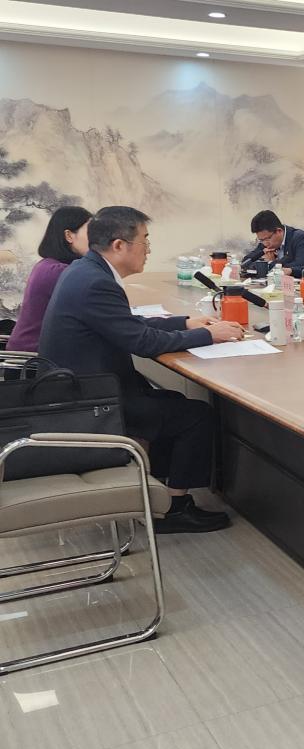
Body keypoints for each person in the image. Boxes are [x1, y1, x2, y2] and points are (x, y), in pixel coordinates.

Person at [39, 206, 246, 534]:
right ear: (119, 245)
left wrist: (185, 323)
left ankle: (158, 493)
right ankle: (173, 509)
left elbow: (125, 324)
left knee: (170, 403)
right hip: (89, 401)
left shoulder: (85, 270)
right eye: (145, 241)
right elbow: (142, 342)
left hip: (80, 387)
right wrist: (210, 335)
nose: (148, 249)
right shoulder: (95, 282)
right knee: (195, 416)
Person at [8, 206, 92, 352]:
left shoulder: (47, 265)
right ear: (69, 236)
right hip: (34, 358)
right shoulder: (57, 271)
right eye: (90, 232)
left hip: (36, 353)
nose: (96, 240)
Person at [241, 210, 304, 277]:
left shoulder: (300, 238)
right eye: (261, 240)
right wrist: (263, 264)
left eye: (267, 239)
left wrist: (270, 263)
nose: (265, 243)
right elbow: (246, 262)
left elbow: (299, 266)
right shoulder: (266, 242)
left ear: (279, 231)